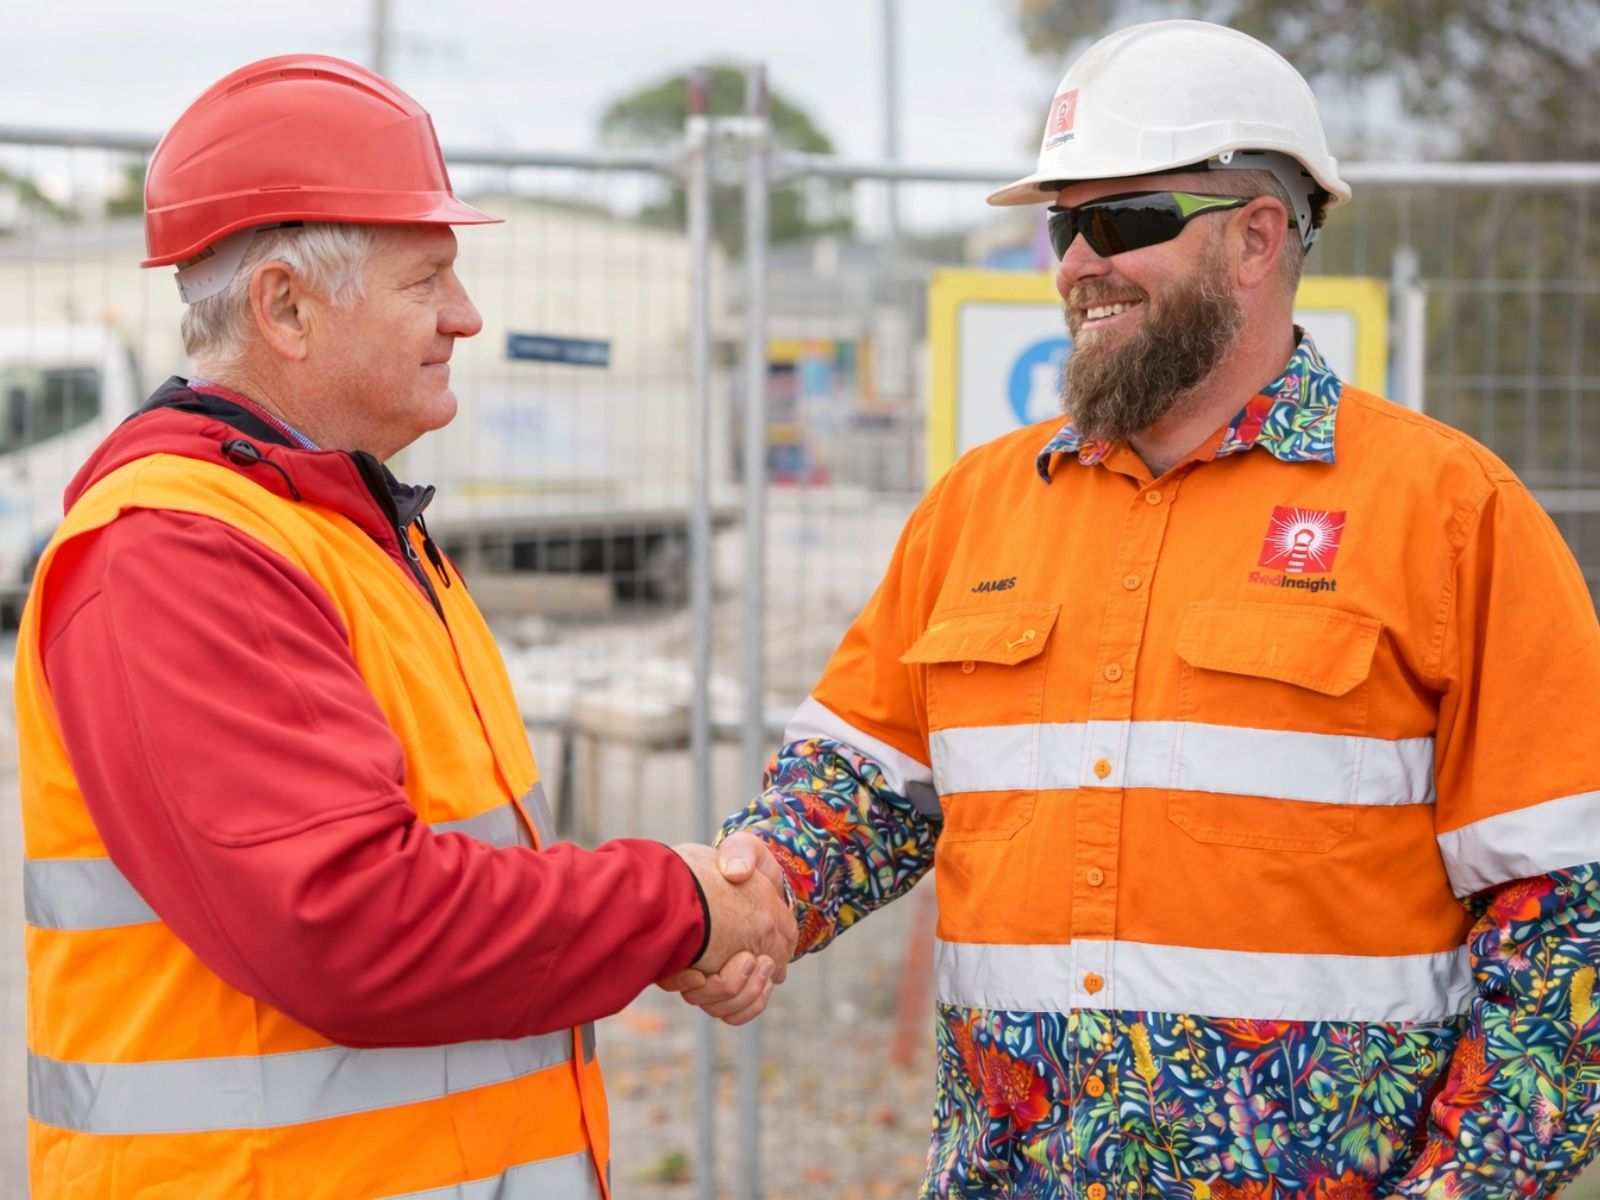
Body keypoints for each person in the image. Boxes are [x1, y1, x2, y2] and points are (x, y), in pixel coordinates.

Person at [671, 19, 1600, 1198]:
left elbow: (1569, 916)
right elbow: (858, 791)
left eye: (1123, 221)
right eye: (1064, 225)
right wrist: (750, 906)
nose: (1075, 265)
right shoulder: (975, 507)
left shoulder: (1450, 511)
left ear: (1258, 237)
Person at [16, 55, 794, 1199]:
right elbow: (353, 924)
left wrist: (660, 934)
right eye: (426, 278)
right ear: (284, 306)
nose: (466, 317)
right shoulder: (179, 553)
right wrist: (673, 905)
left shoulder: (346, 526)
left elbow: (463, 878)